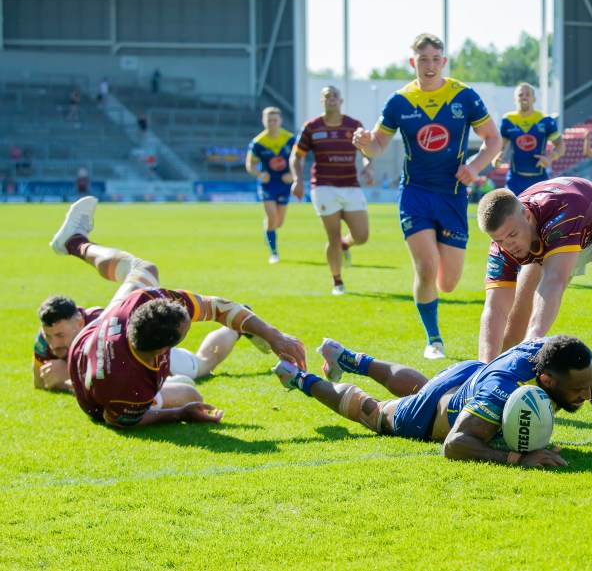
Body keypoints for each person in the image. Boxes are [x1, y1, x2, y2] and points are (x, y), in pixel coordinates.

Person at [46, 196, 306, 427]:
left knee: (145, 270)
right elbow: (118, 419)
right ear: (163, 353)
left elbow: (215, 307)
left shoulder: (140, 300)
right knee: (193, 387)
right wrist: (181, 412)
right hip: (102, 394)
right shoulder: (132, 388)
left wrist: (273, 336)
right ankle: (233, 333)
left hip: (97, 335)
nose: (191, 321)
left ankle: (73, 241)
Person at [273, 335, 592, 467]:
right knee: (375, 414)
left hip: (469, 376)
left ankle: (348, 358)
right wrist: (518, 459)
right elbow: (454, 445)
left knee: (425, 387)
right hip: (441, 413)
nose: (586, 396)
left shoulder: (568, 358)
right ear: (546, 379)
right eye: (577, 392)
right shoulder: (503, 391)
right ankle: (301, 378)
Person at [352, 33, 501, 359]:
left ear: (443, 62)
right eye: (423, 59)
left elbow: (493, 139)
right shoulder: (398, 102)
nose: (430, 65)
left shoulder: (464, 96)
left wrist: (474, 166)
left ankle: (435, 306)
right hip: (415, 194)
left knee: (448, 282)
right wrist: (365, 142)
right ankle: (434, 340)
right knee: (425, 267)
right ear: (413, 62)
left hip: (453, 196)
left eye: (436, 58)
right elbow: (377, 146)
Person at [475, 177, 592, 430]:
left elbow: (554, 281)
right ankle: (496, 393)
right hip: (547, 237)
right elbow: (495, 309)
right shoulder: (503, 245)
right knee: (517, 317)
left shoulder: (561, 214)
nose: (509, 246)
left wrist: (533, 342)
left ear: (527, 216)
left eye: (512, 235)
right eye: (500, 240)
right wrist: (482, 372)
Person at [290, 86, 373, 296]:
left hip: (351, 186)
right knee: (333, 236)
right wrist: (297, 180)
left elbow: (367, 151)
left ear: (341, 100)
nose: (331, 99)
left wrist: (367, 165)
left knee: (362, 236)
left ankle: (346, 245)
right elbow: (297, 156)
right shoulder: (311, 127)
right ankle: (337, 282)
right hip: (324, 187)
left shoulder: (354, 125)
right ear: (321, 101)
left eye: (335, 95)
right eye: (327, 96)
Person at [493, 83, 565, 195]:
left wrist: (550, 158)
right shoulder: (507, 120)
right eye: (520, 94)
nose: (524, 97)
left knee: (539, 213)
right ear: (514, 99)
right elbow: (500, 145)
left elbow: (560, 145)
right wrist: (497, 156)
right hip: (514, 181)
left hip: (539, 181)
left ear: (534, 99)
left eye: (527, 94)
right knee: (512, 212)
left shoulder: (546, 120)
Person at [246, 106, 296, 264]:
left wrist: (293, 175)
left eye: (275, 120)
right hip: (267, 185)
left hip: (284, 184)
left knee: (278, 222)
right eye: (269, 120)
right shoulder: (258, 143)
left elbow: (299, 160)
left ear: (280, 121)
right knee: (272, 218)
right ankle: (273, 253)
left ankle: (268, 230)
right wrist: (260, 174)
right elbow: (250, 165)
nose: (272, 123)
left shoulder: (290, 139)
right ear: (263, 121)